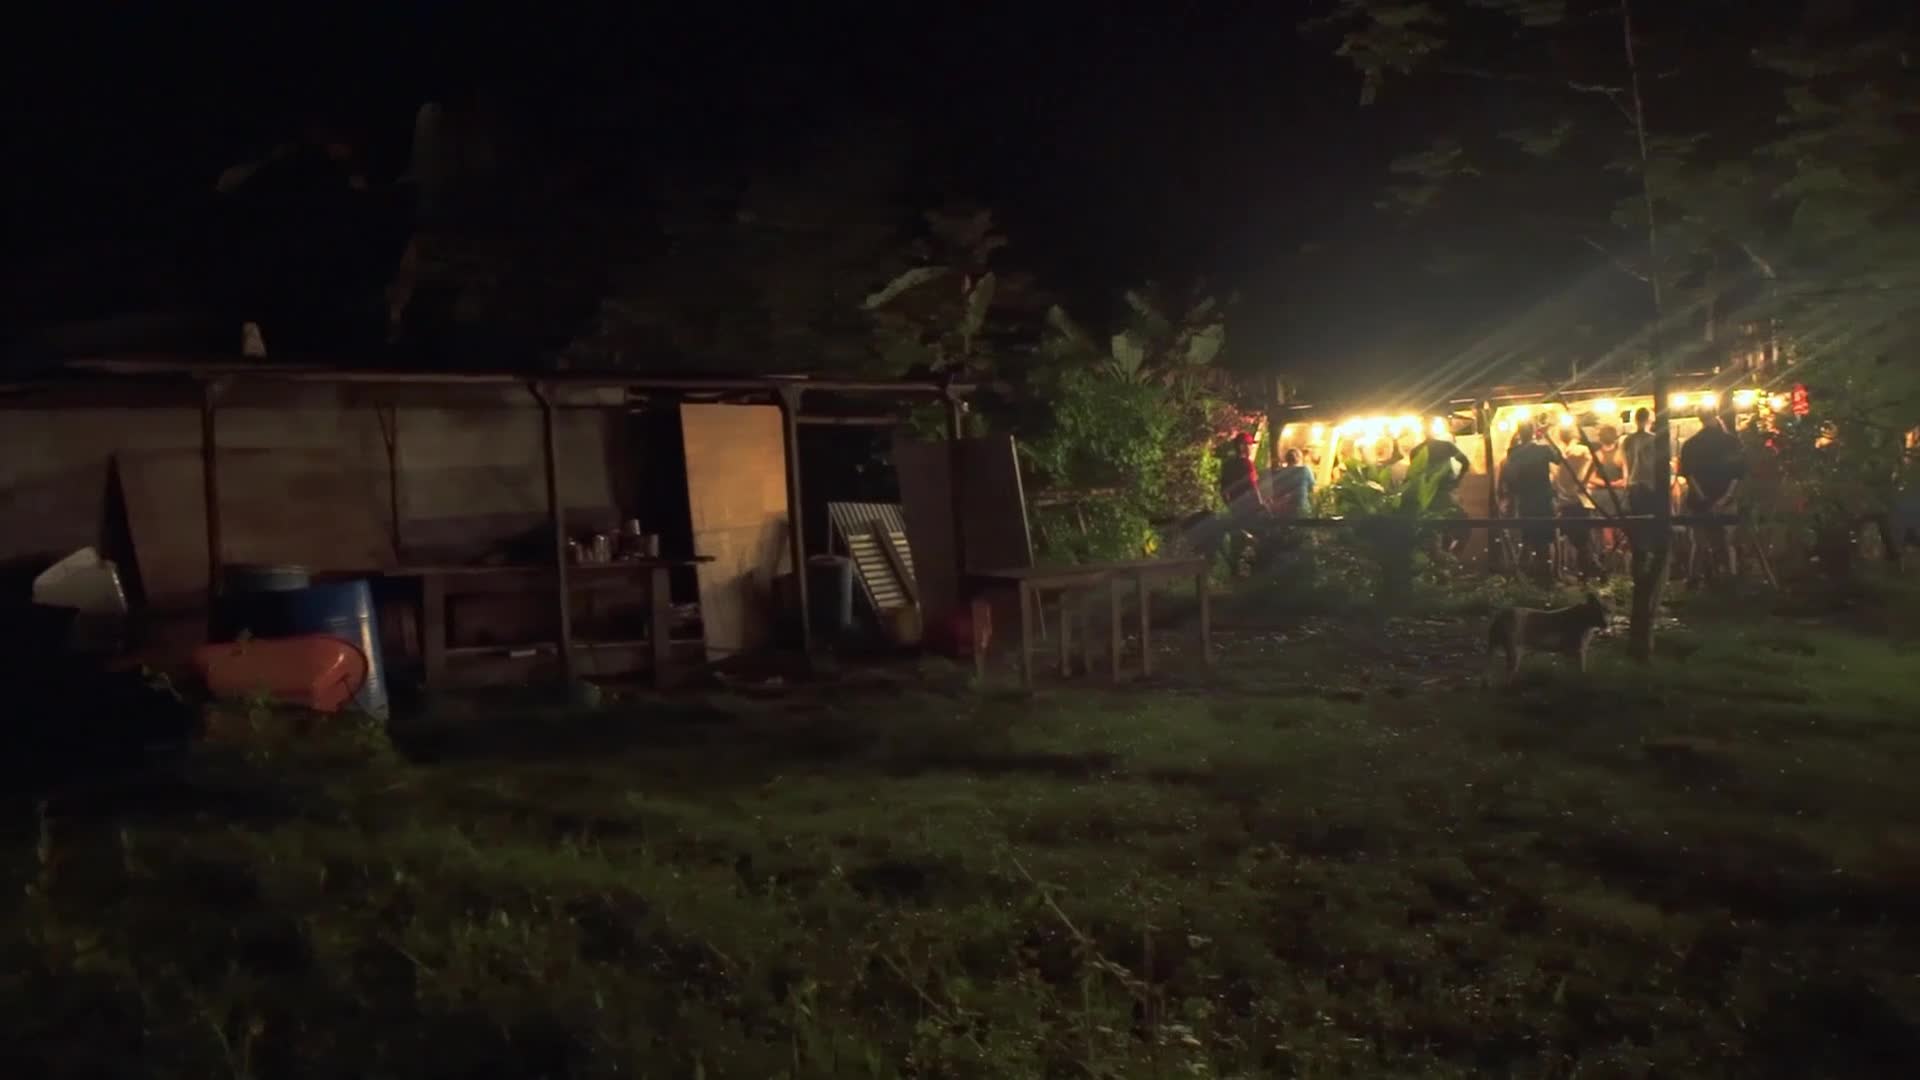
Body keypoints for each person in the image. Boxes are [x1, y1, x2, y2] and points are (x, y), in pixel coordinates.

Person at [1679, 413, 1746, 582]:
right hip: (1725, 499)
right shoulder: (1732, 442)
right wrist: (1725, 498)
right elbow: (1738, 475)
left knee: (1699, 543)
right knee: (1727, 542)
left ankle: (1693, 579)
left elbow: (1688, 475)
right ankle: (1731, 577)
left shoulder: (1691, 444)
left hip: (1699, 500)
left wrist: (1703, 498)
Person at [1501, 425, 1559, 577]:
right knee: (1544, 540)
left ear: (1520, 433)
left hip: (1525, 499)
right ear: (1533, 432)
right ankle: (1544, 574)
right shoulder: (1543, 450)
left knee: (1527, 538)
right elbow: (1559, 459)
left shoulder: (1513, 452)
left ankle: (1525, 574)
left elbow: (1510, 474)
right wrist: (1547, 437)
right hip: (1543, 499)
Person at [1552, 426, 1601, 579]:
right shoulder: (1581, 450)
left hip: (1567, 501)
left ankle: (1588, 571)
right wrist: (1585, 480)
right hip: (1578, 500)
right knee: (1583, 541)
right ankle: (1589, 571)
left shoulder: (1561, 453)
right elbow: (1596, 461)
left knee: (1577, 540)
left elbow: (1555, 479)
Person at [1268, 448, 1315, 518]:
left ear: (1286, 458)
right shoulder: (1305, 470)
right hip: (1301, 509)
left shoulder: (1279, 473)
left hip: (1282, 510)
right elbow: (1312, 489)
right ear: (1299, 459)